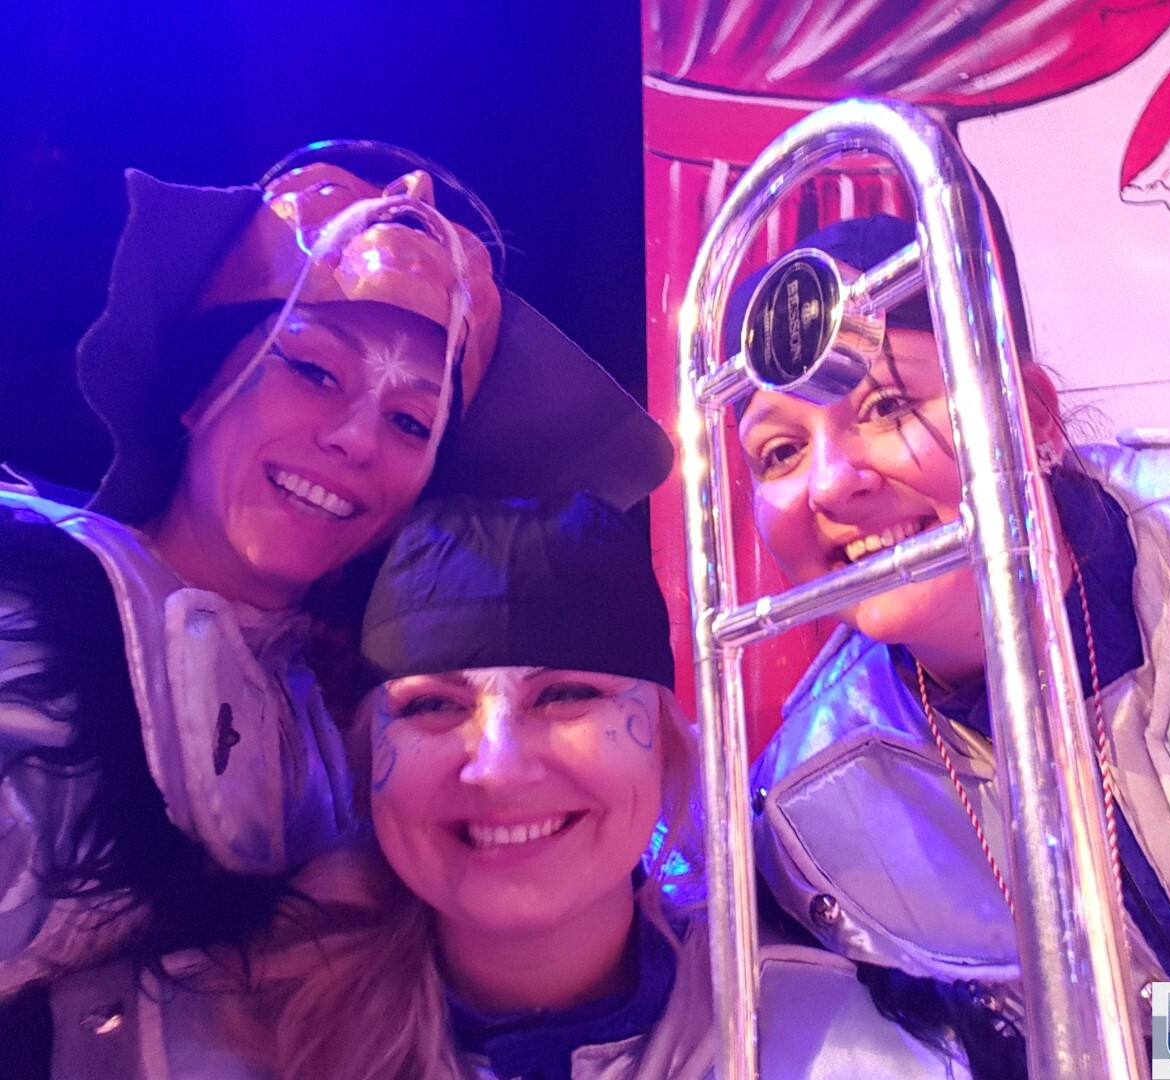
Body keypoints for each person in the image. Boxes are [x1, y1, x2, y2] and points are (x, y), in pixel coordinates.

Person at [0, 141, 672, 1010]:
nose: (355, 438)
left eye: (410, 421)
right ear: (200, 387)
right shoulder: (28, 607)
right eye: (314, 371)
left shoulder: (342, 715)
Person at [730, 213, 1170, 1029]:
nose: (828, 484)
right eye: (779, 453)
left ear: (1032, 416)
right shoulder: (809, 811)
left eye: (888, 406)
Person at [44, 492, 970, 1079]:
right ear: (369, 770)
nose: (496, 765)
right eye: (432, 707)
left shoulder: (827, 1044)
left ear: (666, 752)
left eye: (566, 696)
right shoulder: (172, 1042)